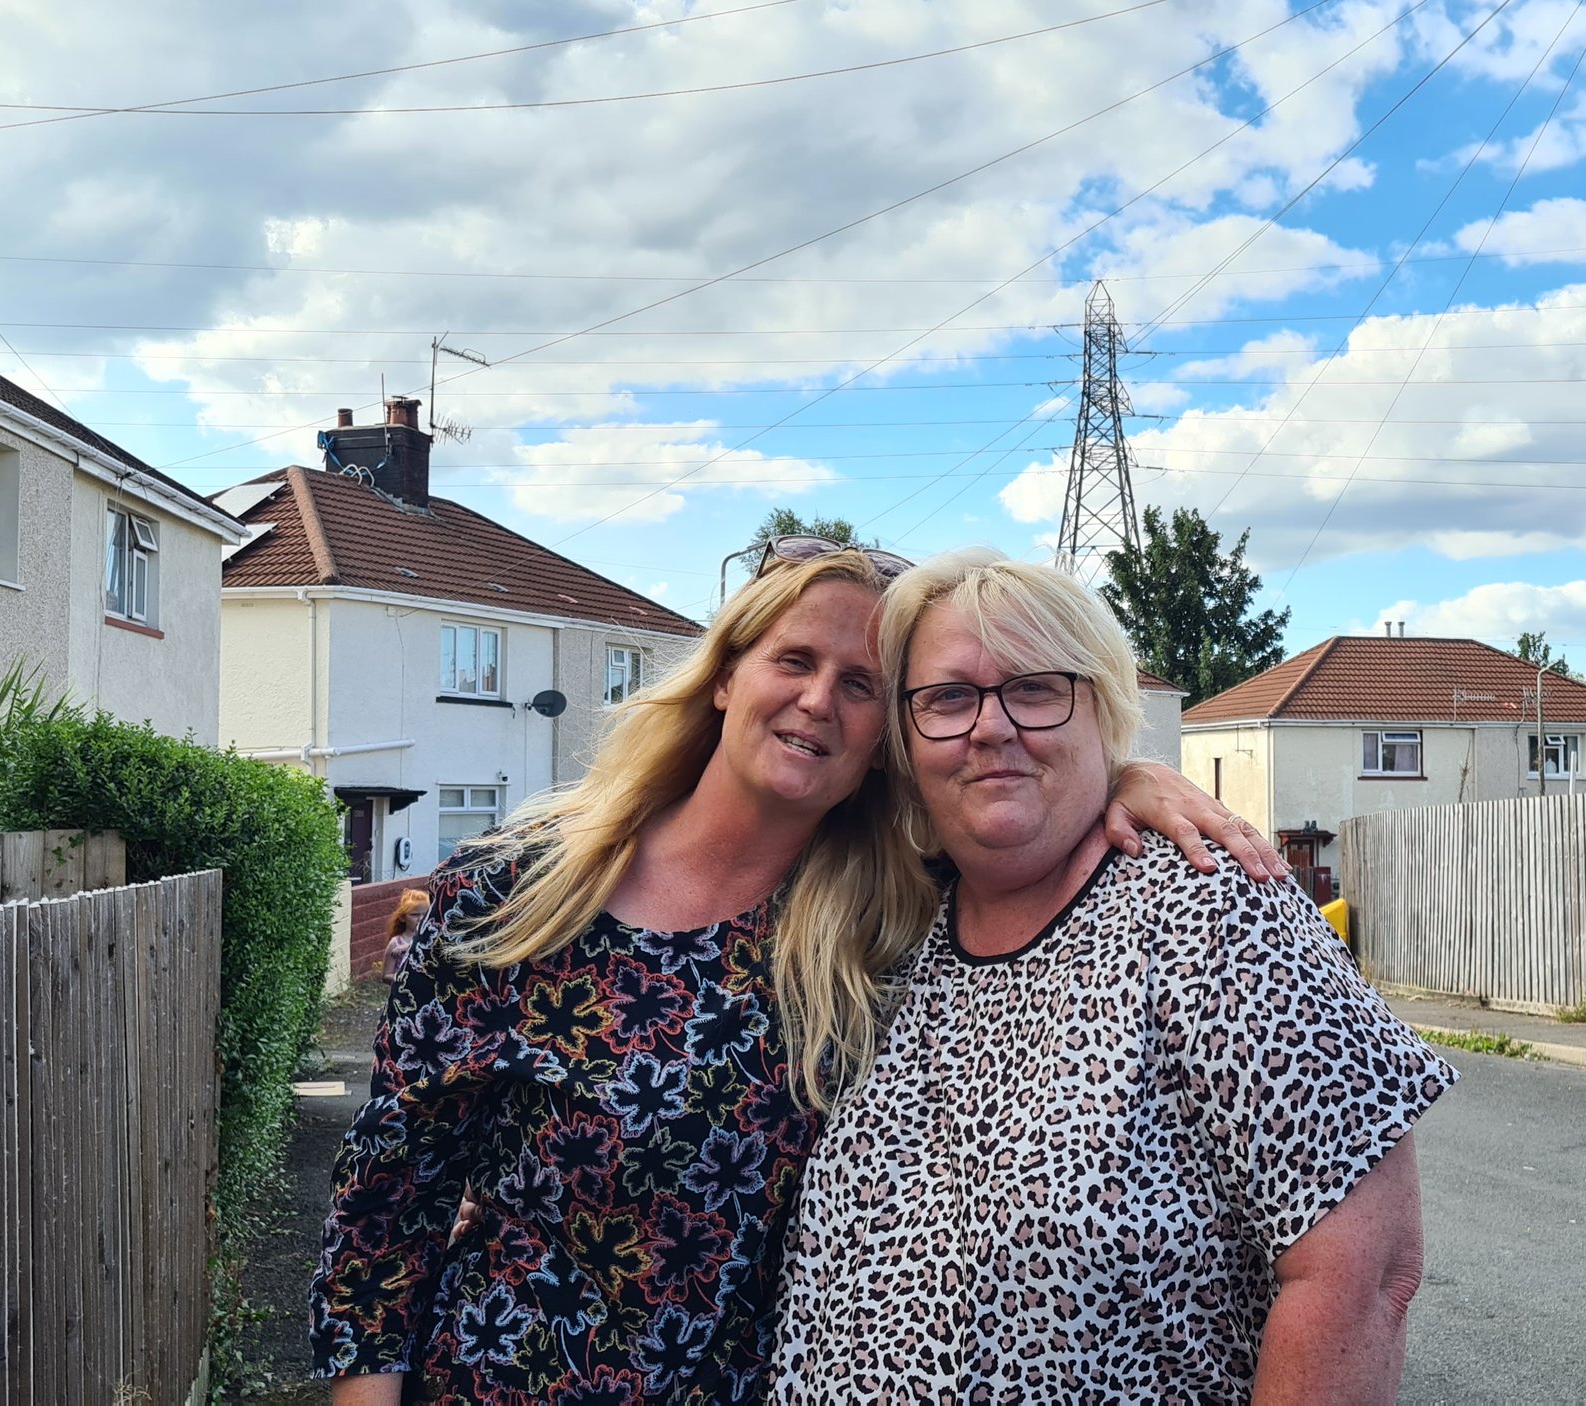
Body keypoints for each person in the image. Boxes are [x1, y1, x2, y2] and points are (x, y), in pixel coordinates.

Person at [310, 538, 1274, 1402]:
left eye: (861, 684)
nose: (819, 700)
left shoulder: (901, 924)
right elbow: (386, 1207)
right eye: (794, 660)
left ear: (887, 743)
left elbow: (1035, 796)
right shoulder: (513, 896)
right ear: (726, 676)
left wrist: (1130, 778)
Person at [770, 550, 1457, 1403]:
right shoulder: (891, 928)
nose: (990, 727)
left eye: (1035, 689)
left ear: (1102, 710)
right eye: (947, 698)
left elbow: (1363, 1278)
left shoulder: (1213, 909)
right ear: (905, 747)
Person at [377, 888, 432, 984]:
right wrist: (406, 979)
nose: (421, 919)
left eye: (425, 914)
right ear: (403, 917)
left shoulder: (432, 938)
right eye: (414, 915)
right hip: (405, 994)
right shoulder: (396, 943)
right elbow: (386, 976)